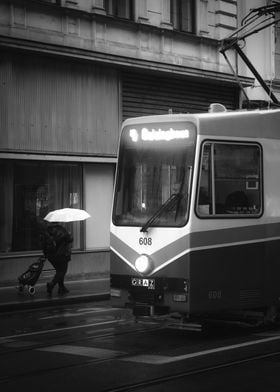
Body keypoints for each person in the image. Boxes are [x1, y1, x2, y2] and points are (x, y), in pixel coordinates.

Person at [42, 222, 73, 295]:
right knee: (62, 271)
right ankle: (51, 285)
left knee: (59, 271)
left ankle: (61, 288)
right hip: (61, 255)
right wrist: (69, 234)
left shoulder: (48, 230)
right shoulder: (62, 230)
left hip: (51, 256)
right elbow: (70, 239)